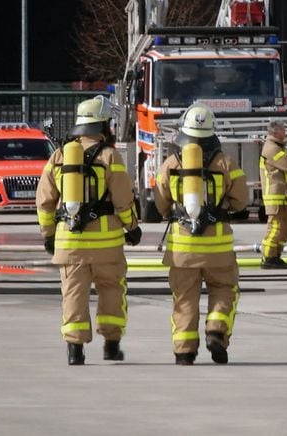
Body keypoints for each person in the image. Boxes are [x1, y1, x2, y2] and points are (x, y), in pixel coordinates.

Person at [35, 96, 142, 365]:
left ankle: (75, 350)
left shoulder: (58, 156)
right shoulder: (110, 156)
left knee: (73, 294)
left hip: (70, 243)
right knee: (112, 291)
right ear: (102, 125)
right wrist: (132, 227)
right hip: (107, 245)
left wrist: (49, 234)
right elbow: (123, 199)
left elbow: (44, 202)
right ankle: (111, 345)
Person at [154, 103, 249, 365]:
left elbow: (160, 202)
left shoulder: (171, 163)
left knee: (184, 299)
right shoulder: (226, 162)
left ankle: (184, 352)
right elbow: (241, 199)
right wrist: (225, 206)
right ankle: (217, 332)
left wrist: (171, 211)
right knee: (224, 289)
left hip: (182, 249)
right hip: (218, 248)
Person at [259, 120, 287, 269]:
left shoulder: (278, 147)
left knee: (286, 226)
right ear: (276, 132)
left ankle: (276, 255)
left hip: (283, 195)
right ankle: (268, 257)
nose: (285, 131)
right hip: (275, 195)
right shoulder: (271, 148)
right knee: (275, 227)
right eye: (283, 129)